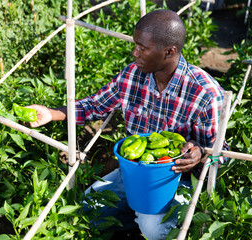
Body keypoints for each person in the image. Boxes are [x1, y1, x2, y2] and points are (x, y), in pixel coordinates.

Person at [27, 9, 226, 240]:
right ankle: (134, 219)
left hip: (173, 181)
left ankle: (148, 223)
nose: (135, 53)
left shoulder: (205, 94)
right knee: (87, 210)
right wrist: (51, 113)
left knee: (154, 230)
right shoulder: (132, 75)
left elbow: (221, 154)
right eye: (135, 45)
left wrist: (200, 153)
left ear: (169, 51)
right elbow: (94, 106)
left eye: (143, 48)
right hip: (131, 172)